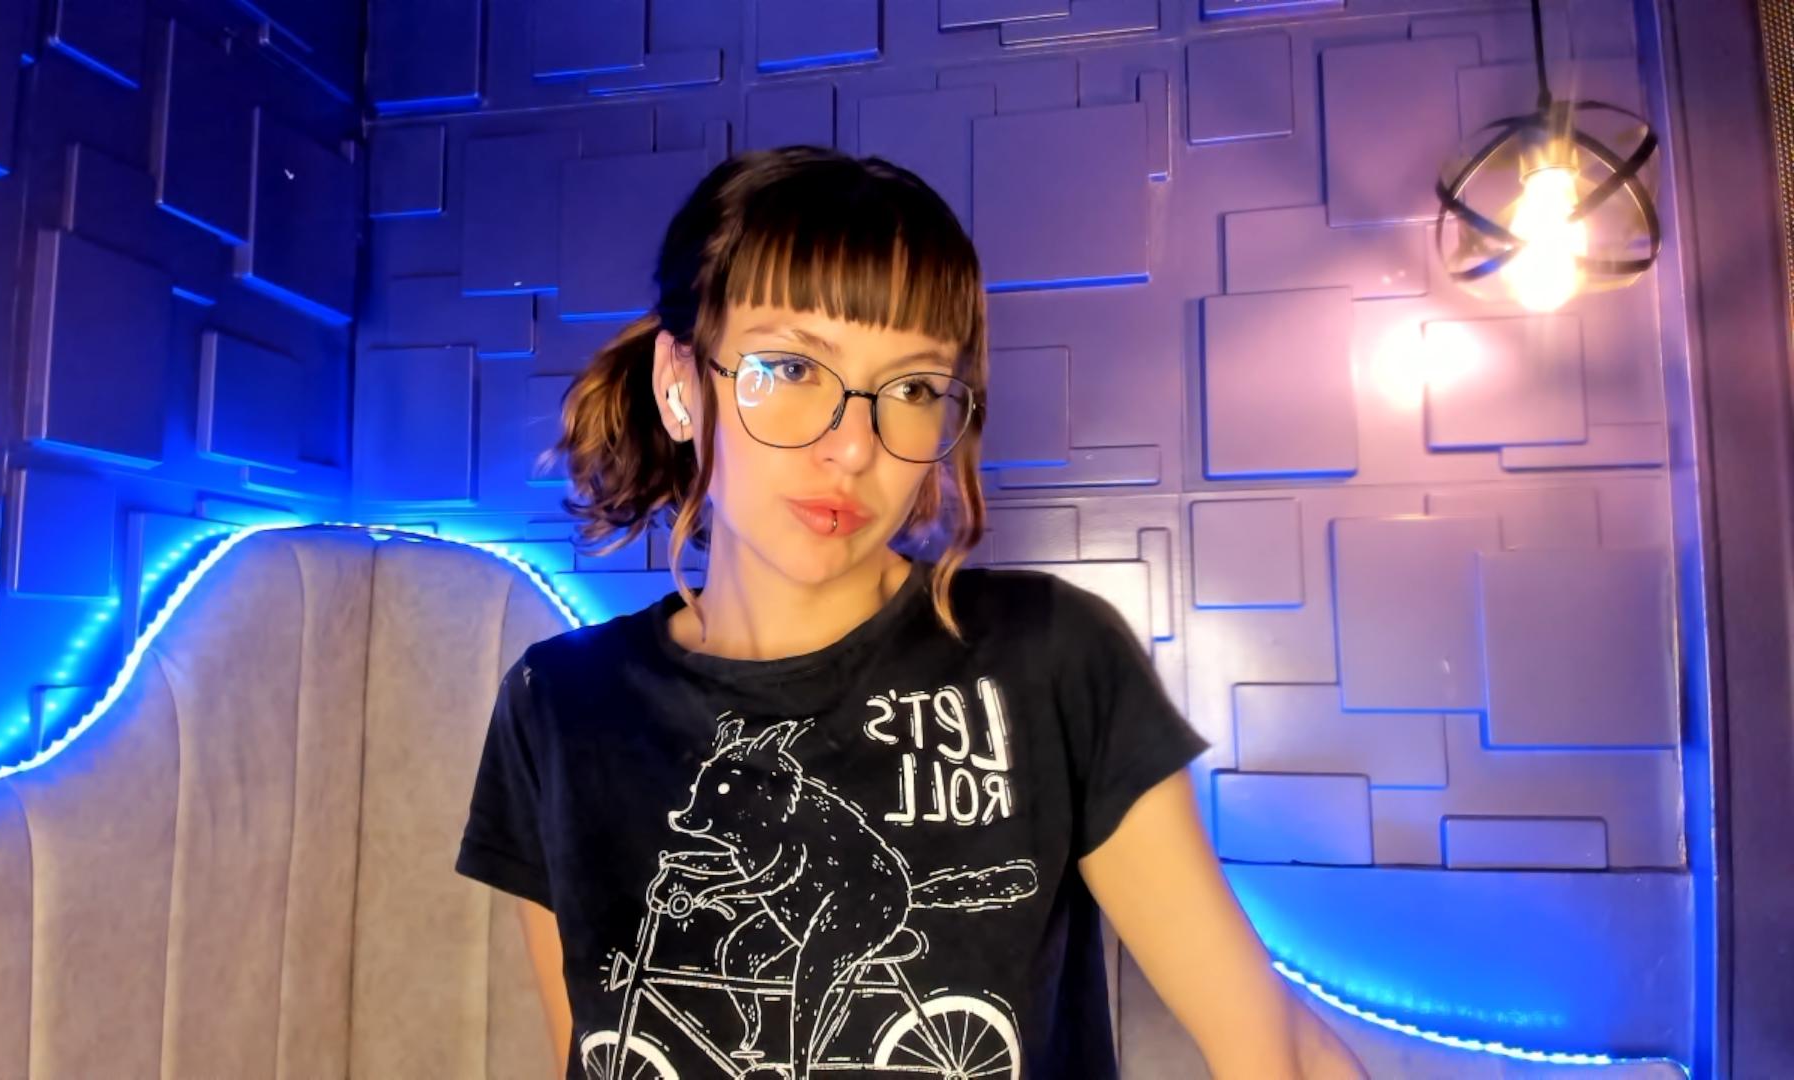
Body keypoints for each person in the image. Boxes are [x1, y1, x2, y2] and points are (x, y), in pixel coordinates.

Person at [455, 145, 1365, 1080]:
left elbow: (1272, 1052)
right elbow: (592, 1051)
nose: (854, 447)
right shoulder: (558, 706)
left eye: (915, 388)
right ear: (679, 384)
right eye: (791, 367)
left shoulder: (1047, 660)